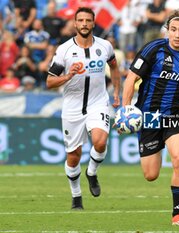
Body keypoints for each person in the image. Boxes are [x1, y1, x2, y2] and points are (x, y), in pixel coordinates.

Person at [120, 11, 179, 226]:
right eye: (174, 29)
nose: (177, 34)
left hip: (175, 115)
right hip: (148, 116)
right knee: (151, 175)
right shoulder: (153, 49)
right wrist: (126, 108)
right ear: (167, 30)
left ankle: (177, 214)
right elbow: (131, 79)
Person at [46, 7, 121, 210]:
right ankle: (76, 196)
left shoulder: (105, 46)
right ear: (75, 23)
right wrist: (68, 76)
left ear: (93, 23)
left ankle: (92, 172)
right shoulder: (64, 50)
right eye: (81, 20)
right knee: (73, 156)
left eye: (88, 20)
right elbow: (50, 82)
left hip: (98, 103)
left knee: (100, 141)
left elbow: (114, 67)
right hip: (72, 108)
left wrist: (116, 93)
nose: (85, 24)